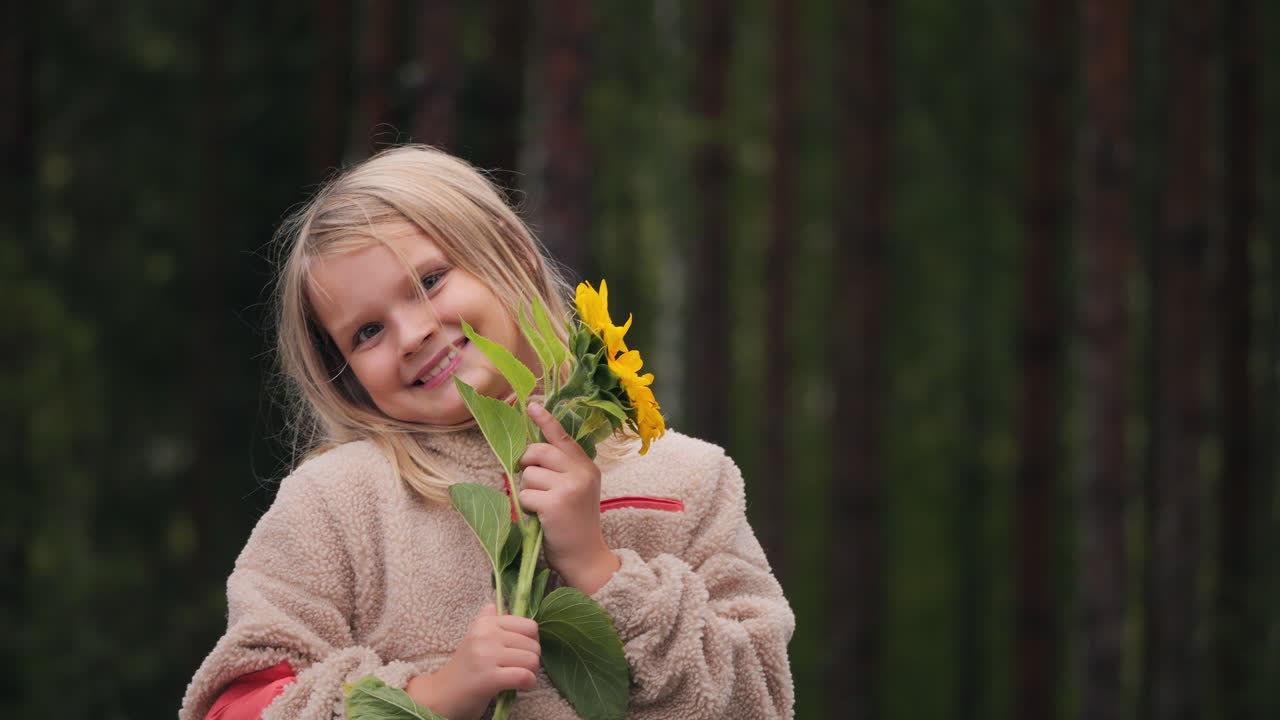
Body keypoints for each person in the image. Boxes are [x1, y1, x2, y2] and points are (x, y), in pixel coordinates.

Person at [179, 145, 794, 720]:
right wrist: (429, 699)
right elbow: (239, 703)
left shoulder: (686, 478)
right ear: (344, 377)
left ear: (512, 253)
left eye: (429, 281)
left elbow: (759, 700)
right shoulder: (335, 503)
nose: (413, 332)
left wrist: (598, 568)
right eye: (366, 332)